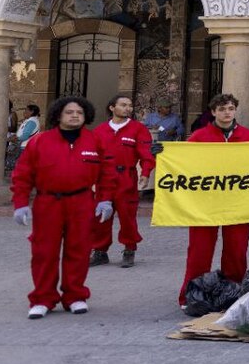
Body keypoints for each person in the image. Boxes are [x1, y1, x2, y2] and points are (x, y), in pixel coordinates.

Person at [10, 96, 116, 319]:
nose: (75, 115)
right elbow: (22, 175)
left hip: (82, 202)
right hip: (48, 203)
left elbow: (106, 173)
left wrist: (105, 199)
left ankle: (75, 296)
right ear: (58, 115)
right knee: (44, 252)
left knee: (78, 250)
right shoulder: (40, 141)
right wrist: (20, 204)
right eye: (69, 112)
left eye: (79, 112)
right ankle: (42, 298)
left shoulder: (94, 141)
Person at [176, 93, 249, 307]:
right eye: (221, 109)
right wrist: (163, 154)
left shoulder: (248, 136)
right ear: (213, 112)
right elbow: (181, 162)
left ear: (235, 111)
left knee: (237, 249)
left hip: (238, 202)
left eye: (230, 108)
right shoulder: (199, 136)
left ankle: (232, 292)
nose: (226, 113)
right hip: (205, 202)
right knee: (199, 250)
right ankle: (192, 294)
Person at [91, 95, 157, 269]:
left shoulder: (138, 129)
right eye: (123, 105)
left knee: (128, 217)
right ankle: (99, 252)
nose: (128, 108)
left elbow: (146, 154)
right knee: (100, 218)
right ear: (112, 108)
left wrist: (145, 173)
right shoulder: (99, 131)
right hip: (103, 181)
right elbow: (91, 156)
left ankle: (129, 250)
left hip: (126, 179)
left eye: (130, 105)